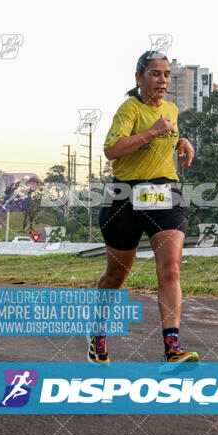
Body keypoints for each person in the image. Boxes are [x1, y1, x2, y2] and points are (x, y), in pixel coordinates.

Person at [87, 50, 199, 366]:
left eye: (166, 74)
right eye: (155, 74)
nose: (162, 80)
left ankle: (171, 349)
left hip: (165, 193)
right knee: (116, 276)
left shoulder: (172, 110)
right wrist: (152, 132)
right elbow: (112, 150)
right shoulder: (129, 109)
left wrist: (181, 141)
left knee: (170, 268)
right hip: (127, 195)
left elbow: (166, 135)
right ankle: (97, 335)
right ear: (139, 78)